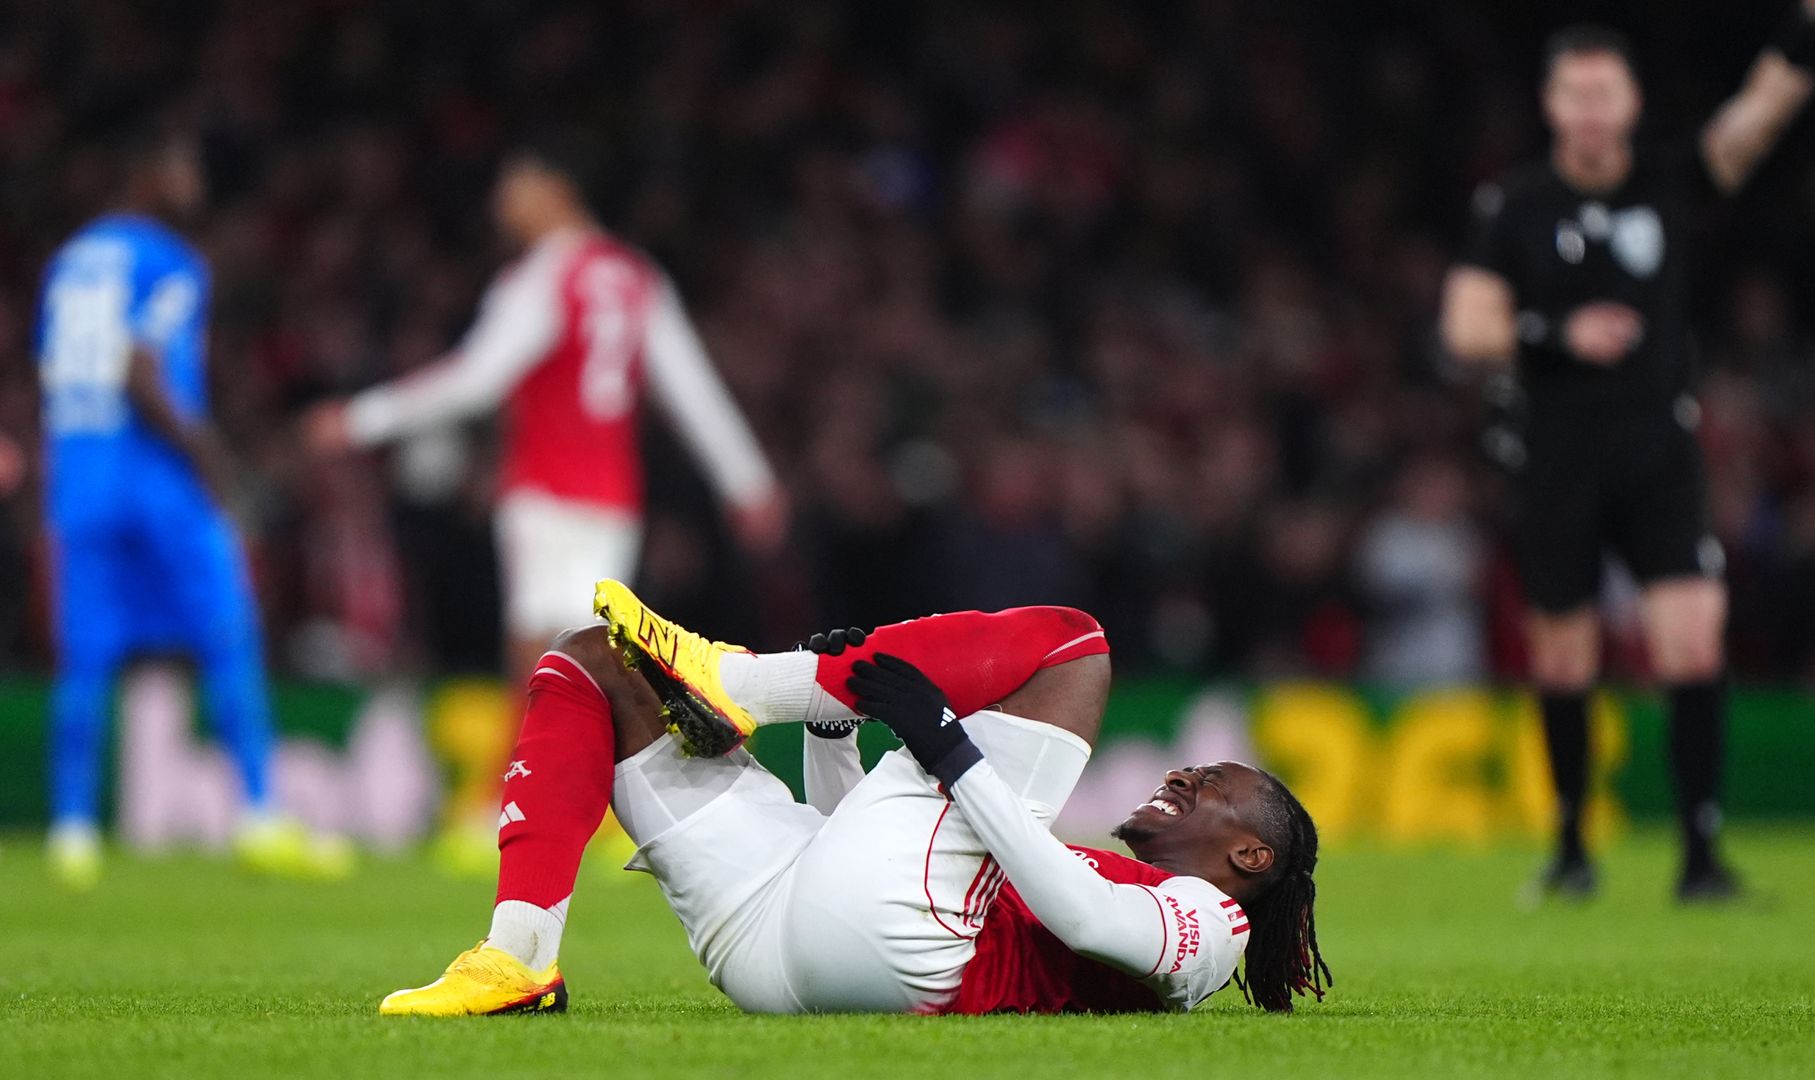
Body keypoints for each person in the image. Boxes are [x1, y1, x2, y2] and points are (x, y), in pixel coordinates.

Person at [378, 581, 1331, 1015]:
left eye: (1213, 786)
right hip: (779, 933)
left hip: (911, 960)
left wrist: (947, 745)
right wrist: (833, 733)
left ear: (1251, 856)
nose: (1183, 776)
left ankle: (743, 683)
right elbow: (851, 851)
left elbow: (1081, 918)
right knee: (594, 660)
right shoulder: (1110, 872)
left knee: (1074, 644)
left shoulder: (1215, 932)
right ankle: (519, 958)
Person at [1439, 1, 1815, 901]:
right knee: (1563, 655)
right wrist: (1558, 334)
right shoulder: (1515, 204)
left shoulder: (1669, 182)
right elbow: (1466, 325)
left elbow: (1757, 117)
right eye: (1576, 93)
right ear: (1551, 104)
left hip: (1657, 451)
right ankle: (1570, 847)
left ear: (1631, 101)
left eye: (1606, 92)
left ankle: (1701, 857)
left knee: (1695, 641)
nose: (1592, 110)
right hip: (1557, 455)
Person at [301, 139, 786, 864]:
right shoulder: (635, 277)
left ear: (556, 189)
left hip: (545, 490)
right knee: (594, 652)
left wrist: (359, 419)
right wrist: (748, 481)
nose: (505, 201)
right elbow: (691, 387)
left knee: (541, 654)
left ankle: (505, 808)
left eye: (517, 183)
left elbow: (476, 379)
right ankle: (615, 810)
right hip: (612, 497)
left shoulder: (542, 279)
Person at [37, 129, 349, 890]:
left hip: (81, 477)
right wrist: (212, 463)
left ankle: (72, 831)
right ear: (148, 174)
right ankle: (259, 813)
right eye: (181, 169)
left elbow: (56, 373)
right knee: (227, 631)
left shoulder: (68, 263)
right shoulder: (169, 261)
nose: (194, 185)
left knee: (85, 657)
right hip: (158, 480)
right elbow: (141, 371)